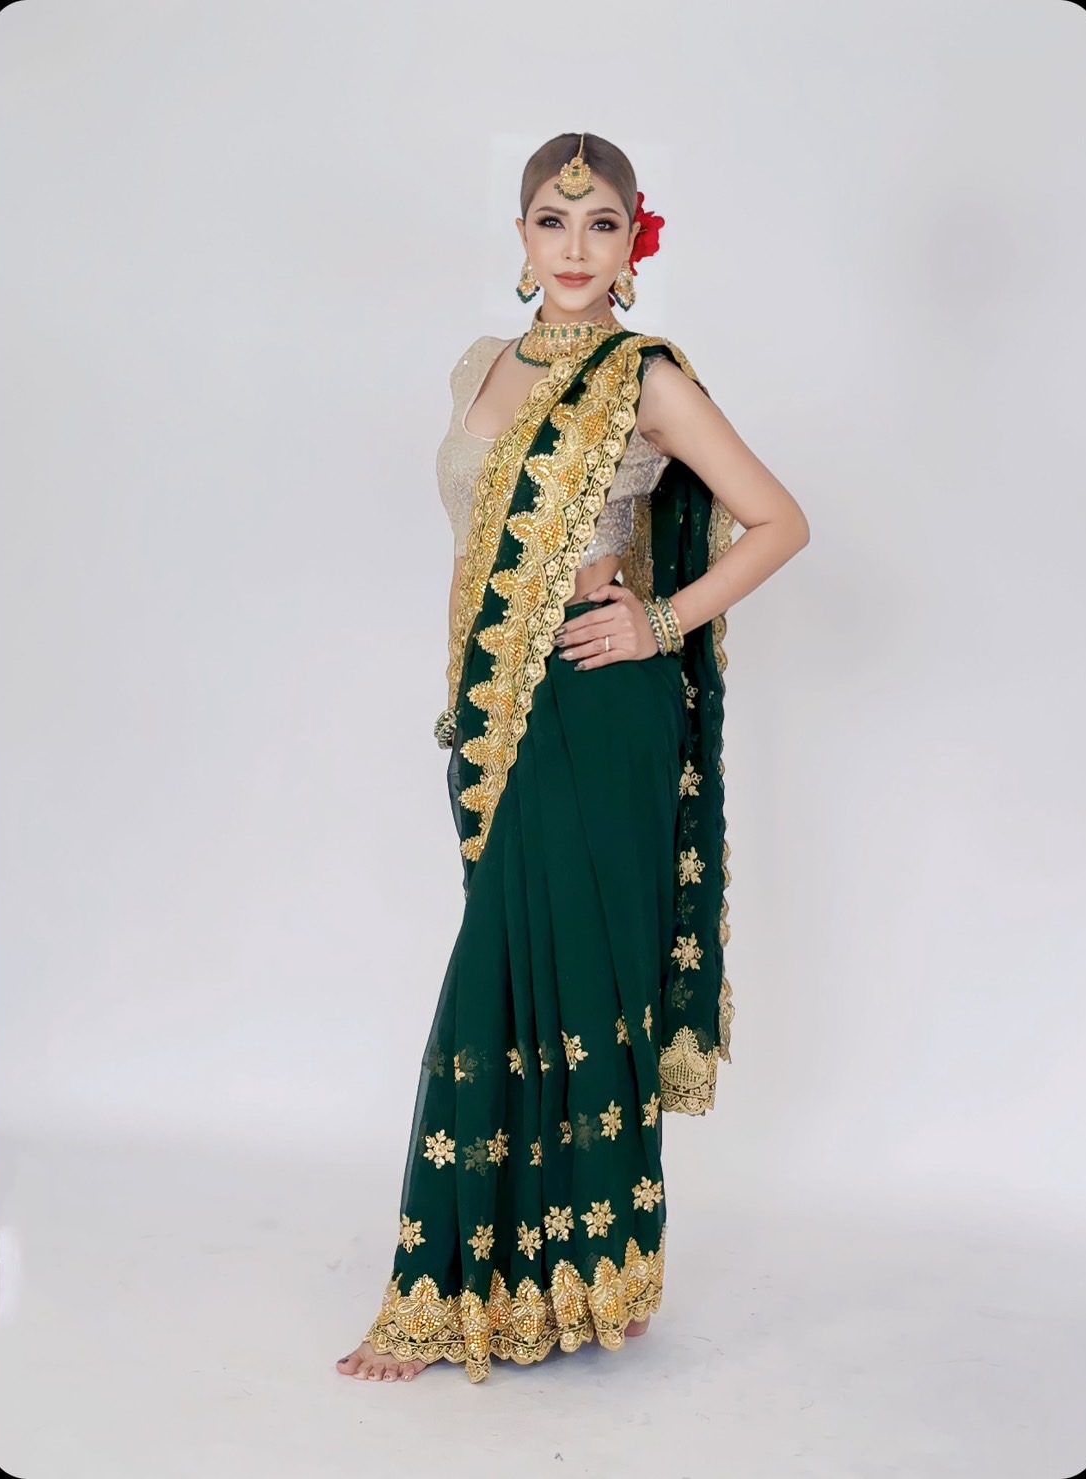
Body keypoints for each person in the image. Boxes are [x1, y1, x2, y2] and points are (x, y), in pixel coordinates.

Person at [336, 131, 810, 1385]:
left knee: (561, 984)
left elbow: (778, 521)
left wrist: (658, 620)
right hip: (493, 711)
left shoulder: (642, 377)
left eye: (601, 224)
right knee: (515, 977)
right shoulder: (481, 366)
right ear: (520, 236)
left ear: (633, 241)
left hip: (597, 711)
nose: (575, 248)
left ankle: (495, 1285)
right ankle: (540, 1276)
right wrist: (463, 703)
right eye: (553, 222)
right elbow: (469, 551)